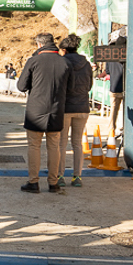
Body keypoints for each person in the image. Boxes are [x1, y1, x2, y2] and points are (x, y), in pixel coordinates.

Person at [18, 33, 72, 193]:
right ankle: (53, 183)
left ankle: (33, 182)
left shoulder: (33, 61)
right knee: (54, 146)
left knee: (34, 145)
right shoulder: (65, 62)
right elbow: (70, 88)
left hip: (35, 111)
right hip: (56, 110)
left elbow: (21, 86)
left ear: (39, 45)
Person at [57, 34, 93, 187]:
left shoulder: (62, 62)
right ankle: (77, 176)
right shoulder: (86, 64)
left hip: (65, 108)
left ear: (64, 50)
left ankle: (60, 176)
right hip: (82, 107)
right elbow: (89, 85)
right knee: (77, 144)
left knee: (61, 143)